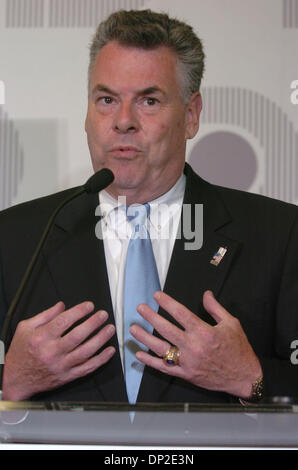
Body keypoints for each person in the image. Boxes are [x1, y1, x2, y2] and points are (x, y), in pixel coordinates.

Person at [0, 9, 298, 405]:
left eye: (149, 101)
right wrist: (10, 382)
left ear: (191, 116)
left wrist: (251, 377)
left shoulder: (279, 234)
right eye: (106, 99)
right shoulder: (14, 238)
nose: (123, 121)